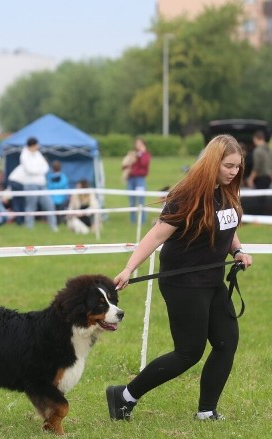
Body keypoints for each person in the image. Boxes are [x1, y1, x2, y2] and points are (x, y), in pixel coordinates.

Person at [108, 134, 254, 422]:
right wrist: (129, 268)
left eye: (238, 166)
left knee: (226, 342)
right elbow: (157, 234)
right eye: (228, 166)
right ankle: (124, 396)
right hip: (183, 283)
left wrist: (238, 250)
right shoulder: (187, 194)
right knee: (189, 352)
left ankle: (206, 410)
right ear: (213, 163)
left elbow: (228, 222)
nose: (234, 172)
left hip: (212, 280)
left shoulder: (225, 191)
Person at [18, 137, 56, 231]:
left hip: (42, 184)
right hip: (30, 184)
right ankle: (29, 228)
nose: (38, 146)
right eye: (37, 145)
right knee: (31, 206)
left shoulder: (38, 154)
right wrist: (40, 170)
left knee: (49, 204)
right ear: (32, 145)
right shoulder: (24, 155)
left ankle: (53, 226)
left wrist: (38, 170)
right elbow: (29, 170)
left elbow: (46, 166)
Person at [123, 137, 151, 224]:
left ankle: (142, 220)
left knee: (141, 200)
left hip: (140, 179)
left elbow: (144, 164)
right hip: (131, 178)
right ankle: (133, 220)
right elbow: (124, 165)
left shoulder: (146, 155)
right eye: (137, 143)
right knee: (131, 201)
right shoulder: (132, 154)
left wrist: (142, 153)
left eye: (140, 143)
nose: (138, 145)